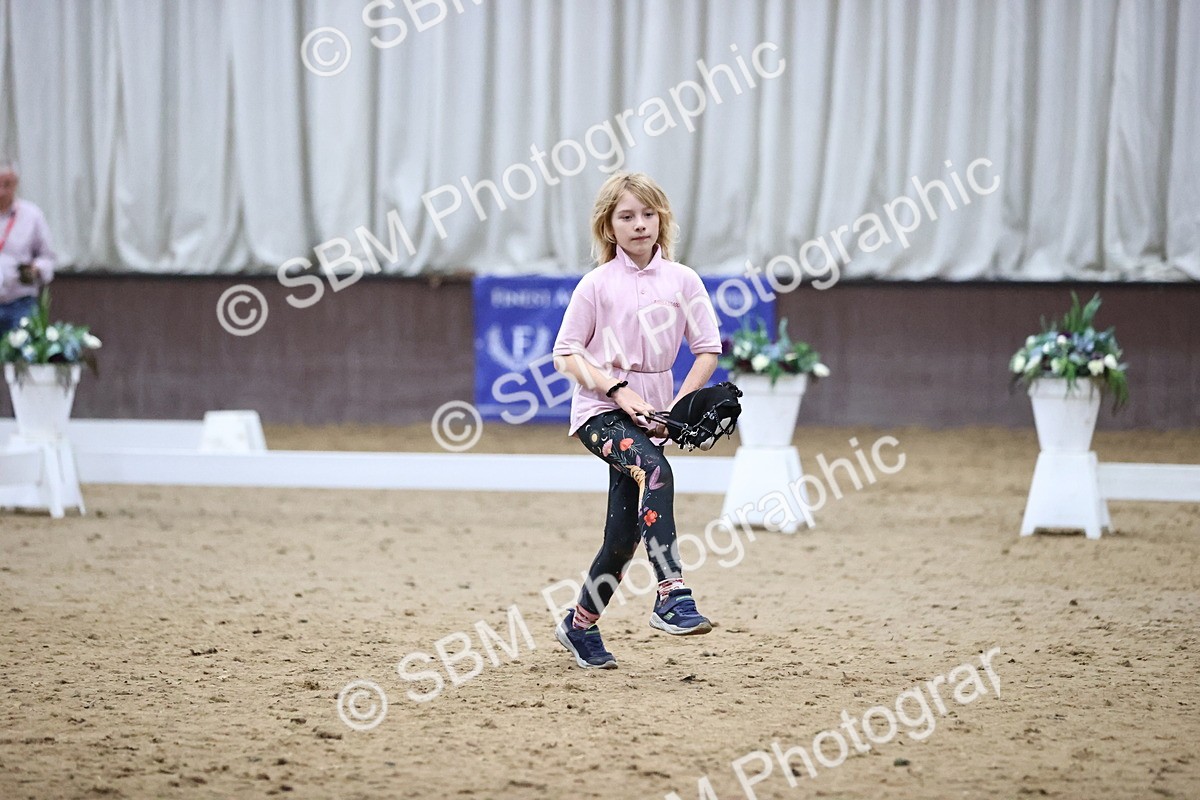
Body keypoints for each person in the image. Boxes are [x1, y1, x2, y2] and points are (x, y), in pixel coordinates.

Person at [551, 172, 722, 669]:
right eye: (626, 216)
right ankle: (672, 593)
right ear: (609, 227)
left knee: (623, 537)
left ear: (661, 219)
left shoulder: (684, 280)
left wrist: (679, 410)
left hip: (655, 414)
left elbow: (707, 350)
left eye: (648, 214)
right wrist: (616, 390)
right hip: (601, 410)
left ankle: (579, 624)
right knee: (656, 470)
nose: (639, 224)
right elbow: (565, 353)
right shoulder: (596, 285)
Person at [0, 158, 56, 332]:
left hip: (20, 302)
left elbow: (48, 257)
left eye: (6, 184)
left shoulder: (31, 215)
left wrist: (35, 269)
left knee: (22, 348)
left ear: (15, 184)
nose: (1, 191)